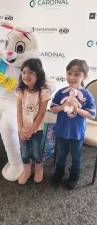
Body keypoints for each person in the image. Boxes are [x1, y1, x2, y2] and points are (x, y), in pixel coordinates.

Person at [51, 59, 96, 189]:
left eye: (76, 74)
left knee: (76, 157)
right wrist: (63, 106)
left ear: (84, 76)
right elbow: (53, 109)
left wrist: (78, 109)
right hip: (61, 131)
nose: (71, 77)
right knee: (61, 155)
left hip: (77, 134)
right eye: (69, 73)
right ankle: (59, 173)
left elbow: (92, 114)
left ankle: (74, 177)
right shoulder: (61, 93)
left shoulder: (86, 95)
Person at [16, 58, 51, 185]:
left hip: (37, 130)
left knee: (36, 152)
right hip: (23, 129)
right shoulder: (21, 90)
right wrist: (21, 129)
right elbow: (19, 112)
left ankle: (38, 168)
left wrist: (31, 130)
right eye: (24, 72)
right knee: (24, 152)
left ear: (38, 74)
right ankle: (26, 170)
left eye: (31, 72)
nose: (26, 75)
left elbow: (41, 114)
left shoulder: (43, 91)